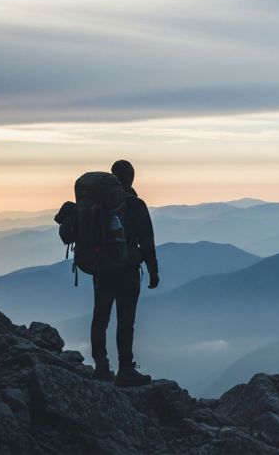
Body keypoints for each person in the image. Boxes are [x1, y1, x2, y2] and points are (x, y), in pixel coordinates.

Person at [90, 159, 160, 387]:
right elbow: (147, 241)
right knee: (125, 319)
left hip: (102, 268)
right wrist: (153, 272)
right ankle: (125, 369)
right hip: (127, 270)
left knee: (100, 317)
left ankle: (101, 366)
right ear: (131, 178)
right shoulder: (136, 205)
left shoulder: (97, 204)